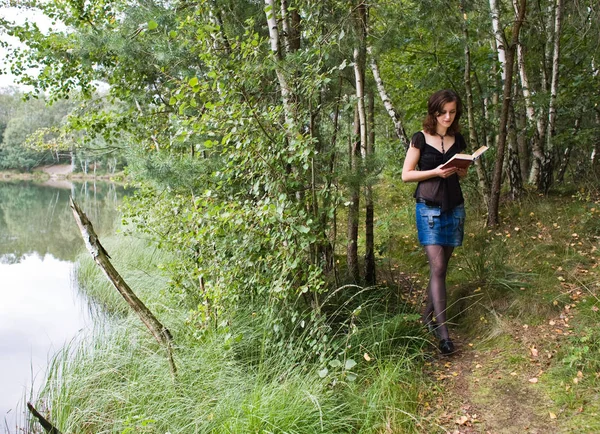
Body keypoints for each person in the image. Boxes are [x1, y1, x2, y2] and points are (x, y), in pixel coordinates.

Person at [401, 89, 468, 355]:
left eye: (452, 112)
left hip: (455, 207)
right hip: (428, 207)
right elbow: (406, 175)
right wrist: (436, 172)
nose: (448, 117)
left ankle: (427, 318)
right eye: (443, 112)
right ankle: (444, 336)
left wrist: (460, 169)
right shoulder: (420, 138)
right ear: (434, 112)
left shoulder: (457, 138)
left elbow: (461, 175)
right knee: (438, 266)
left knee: (440, 270)